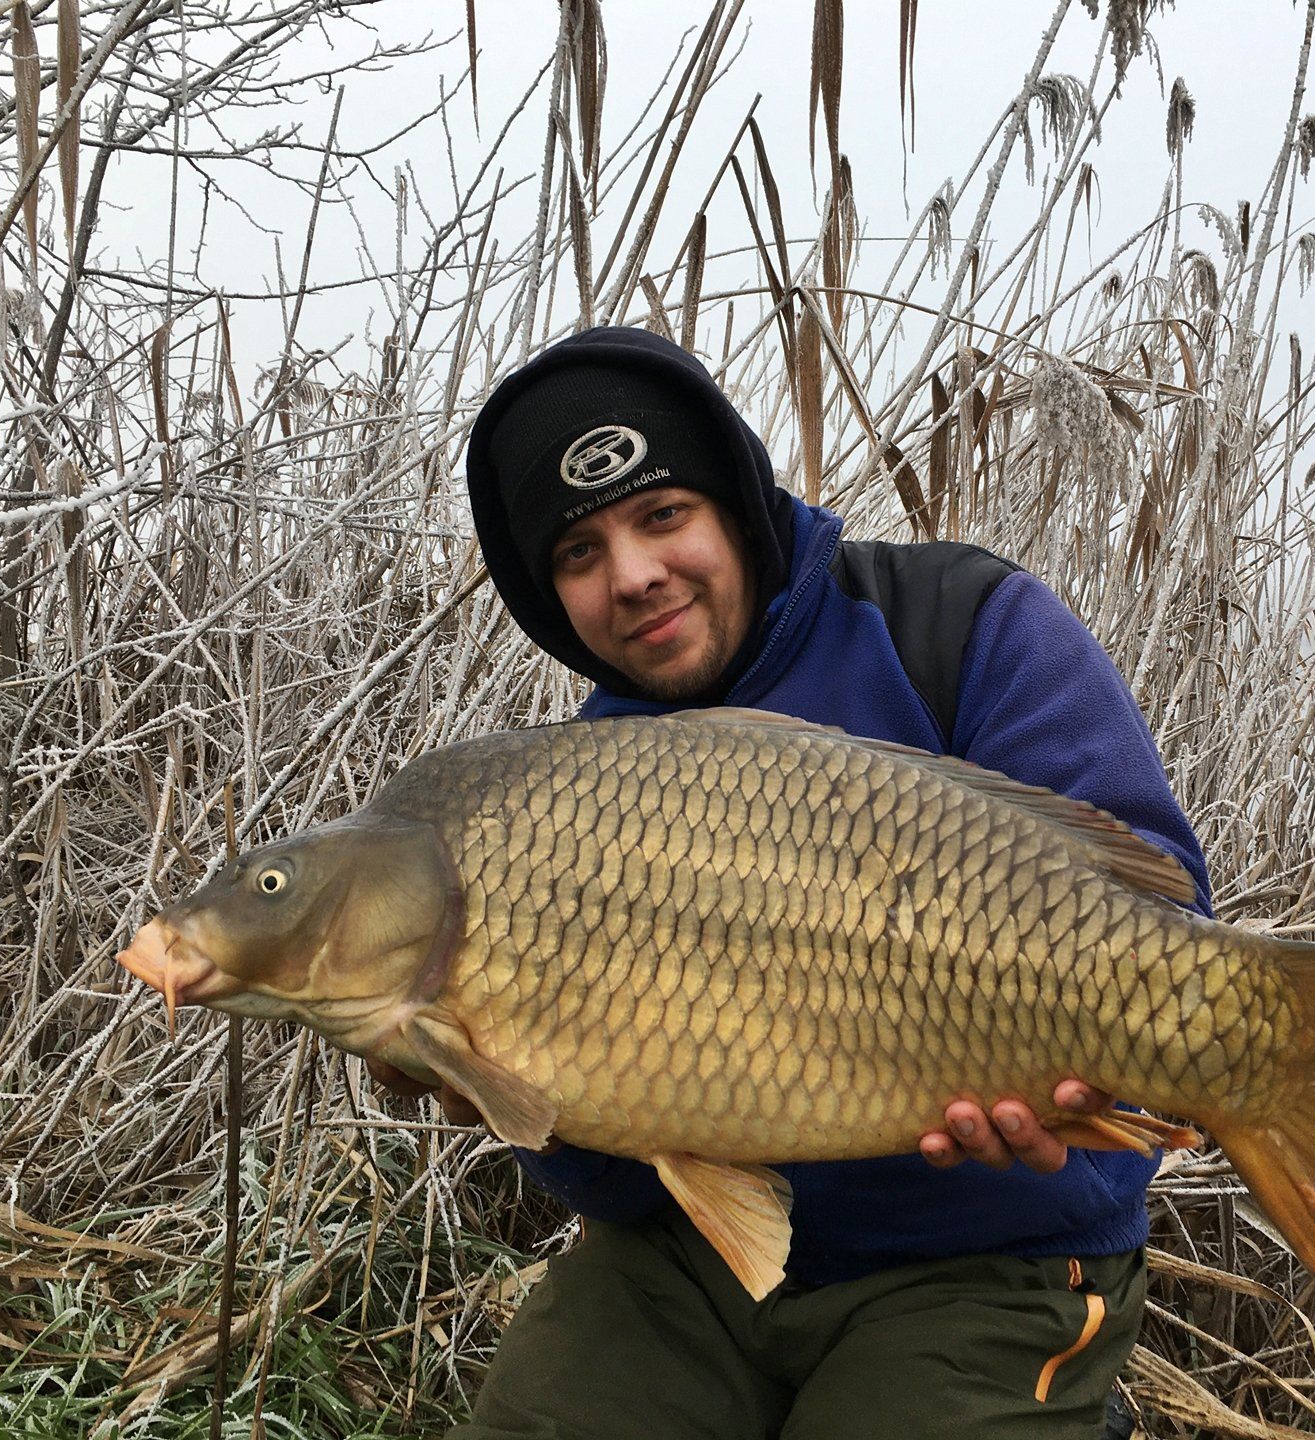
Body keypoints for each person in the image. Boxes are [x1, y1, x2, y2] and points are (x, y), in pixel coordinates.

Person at [384, 325, 1212, 1438]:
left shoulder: (953, 623)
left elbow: (1163, 920)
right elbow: (636, 1184)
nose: (633, 575)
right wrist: (504, 1090)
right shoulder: (564, 804)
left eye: (662, 515)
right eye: (578, 553)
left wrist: (1061, 1121)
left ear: (735, 503)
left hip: (994, 1252)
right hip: (704, 1261)